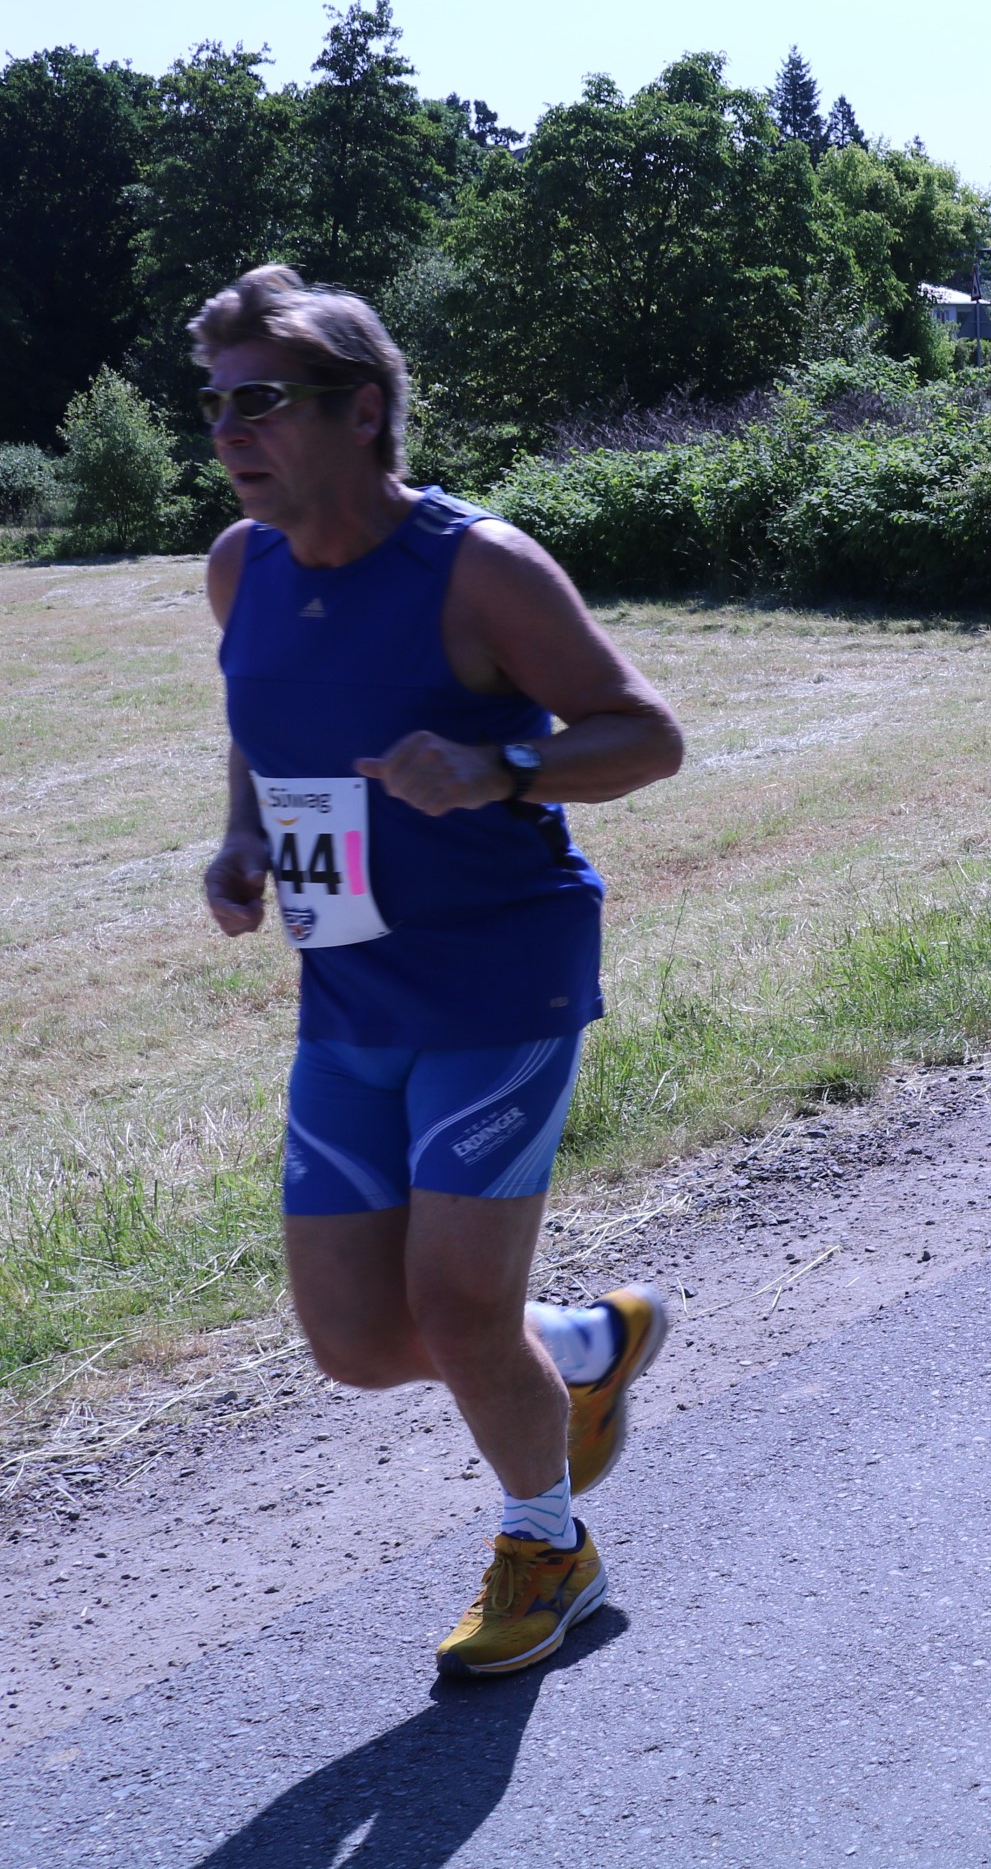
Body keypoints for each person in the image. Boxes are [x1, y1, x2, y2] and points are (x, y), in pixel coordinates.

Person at [194, 265, 687, 1676]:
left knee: (459, 1306)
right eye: (216, 405)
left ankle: (550, 1551)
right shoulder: (243, 567)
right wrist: (242, 835)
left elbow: (646, 737)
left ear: (361, 411)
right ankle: (581, 1349)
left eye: (261, 400)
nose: (229, 431)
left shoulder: (478, 567)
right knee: (356, 1338)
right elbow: (258, 718)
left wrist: (498, 765)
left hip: (498, 975)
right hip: (348, 979)